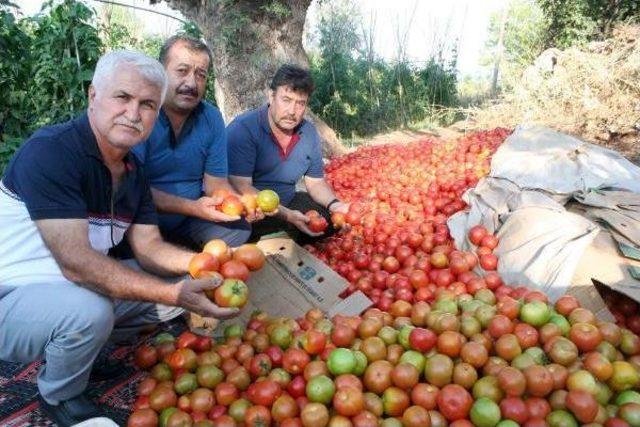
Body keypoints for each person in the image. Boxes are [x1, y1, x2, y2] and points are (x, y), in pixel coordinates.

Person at [0, 51, 237, 426]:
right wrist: (172, 293)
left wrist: (209, 264)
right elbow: (78, 264)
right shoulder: (53, 152)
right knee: (90, 311)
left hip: (68, 290)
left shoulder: (133, 172)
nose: (133, 113)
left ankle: (84, 353)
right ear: (93, 96)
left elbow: (150, 248)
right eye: (122, 97)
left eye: (146, 104)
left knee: (180, 287)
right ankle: (59, 395)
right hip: (12, 296)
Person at [130, 35, 251, 251]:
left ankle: (183, 253)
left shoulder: (211, 118)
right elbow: (131, 189)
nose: (191, 83)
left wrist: (241, 205)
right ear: (161, 73)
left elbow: (216, 184)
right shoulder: (138, 114)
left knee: (239, 228)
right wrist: (193, 207)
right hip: (140, 218)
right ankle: (169, 256)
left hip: (191, 220)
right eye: (182, 71)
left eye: (200, 74)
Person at [227, 64, 348, 243]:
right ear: (271, 96)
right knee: (242, 232)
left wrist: (335, 204)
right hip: (255, 208)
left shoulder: (309, 133)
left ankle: (288, 236)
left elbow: (315, 183)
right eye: (286, 99)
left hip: (290, 202)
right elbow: (241, 186)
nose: (292, 111)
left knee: (329, 222)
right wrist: (288, 216)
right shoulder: (244, 129)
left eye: (300, 103)